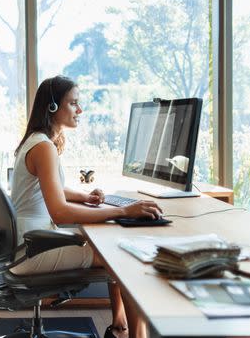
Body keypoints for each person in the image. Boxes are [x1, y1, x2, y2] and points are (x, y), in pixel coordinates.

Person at [9, 75, 163, 338]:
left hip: (28, 244)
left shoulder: (36, 141)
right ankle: (132, 333)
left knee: (115, 246)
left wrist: (83, 197)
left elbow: (49, 188)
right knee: (122, 256)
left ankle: (119, 327)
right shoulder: (43, 147)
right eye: (73, 103)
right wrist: (124, 211)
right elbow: (59, 211)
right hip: (33, 250)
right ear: (53, 107)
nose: (80, 110)